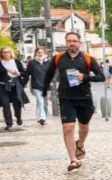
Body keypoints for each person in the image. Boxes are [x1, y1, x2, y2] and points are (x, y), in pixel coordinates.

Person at [42, 32, 106, 171]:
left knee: (83, 127)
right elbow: (48, 75)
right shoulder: (58, 58)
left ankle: (81, 144)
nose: (72, 43)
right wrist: (44, 91)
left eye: (74, 41)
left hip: (84, 98)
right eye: (69, 41)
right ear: (66, 42)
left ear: (79, 42)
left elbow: (101, 77)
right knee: (68, 128)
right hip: (66, 98)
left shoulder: (88, 58)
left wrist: (85, 77)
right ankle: (73, 160)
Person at [0, 46, 30, 130]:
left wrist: (17, 73)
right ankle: (9, 123)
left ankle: (18, 117)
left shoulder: (16, 62)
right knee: (5, 104)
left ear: (11, 53)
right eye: (4, 52)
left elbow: (24, 73)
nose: (6, 54)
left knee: (16, 104)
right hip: (2, 86)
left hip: (14, 85)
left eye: (8, 52)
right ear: (1, 54)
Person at [25, 47, 50, 125]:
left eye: (42, 52)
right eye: (38, 52)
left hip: (47, 86)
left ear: (44, 53)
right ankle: (42, 118)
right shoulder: (32, 63)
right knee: (40, 101)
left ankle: (41, 117)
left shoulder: (48, 62)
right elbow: (27, 73)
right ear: (35, 53)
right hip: (36, 85)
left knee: (45, 103)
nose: (40, 53)